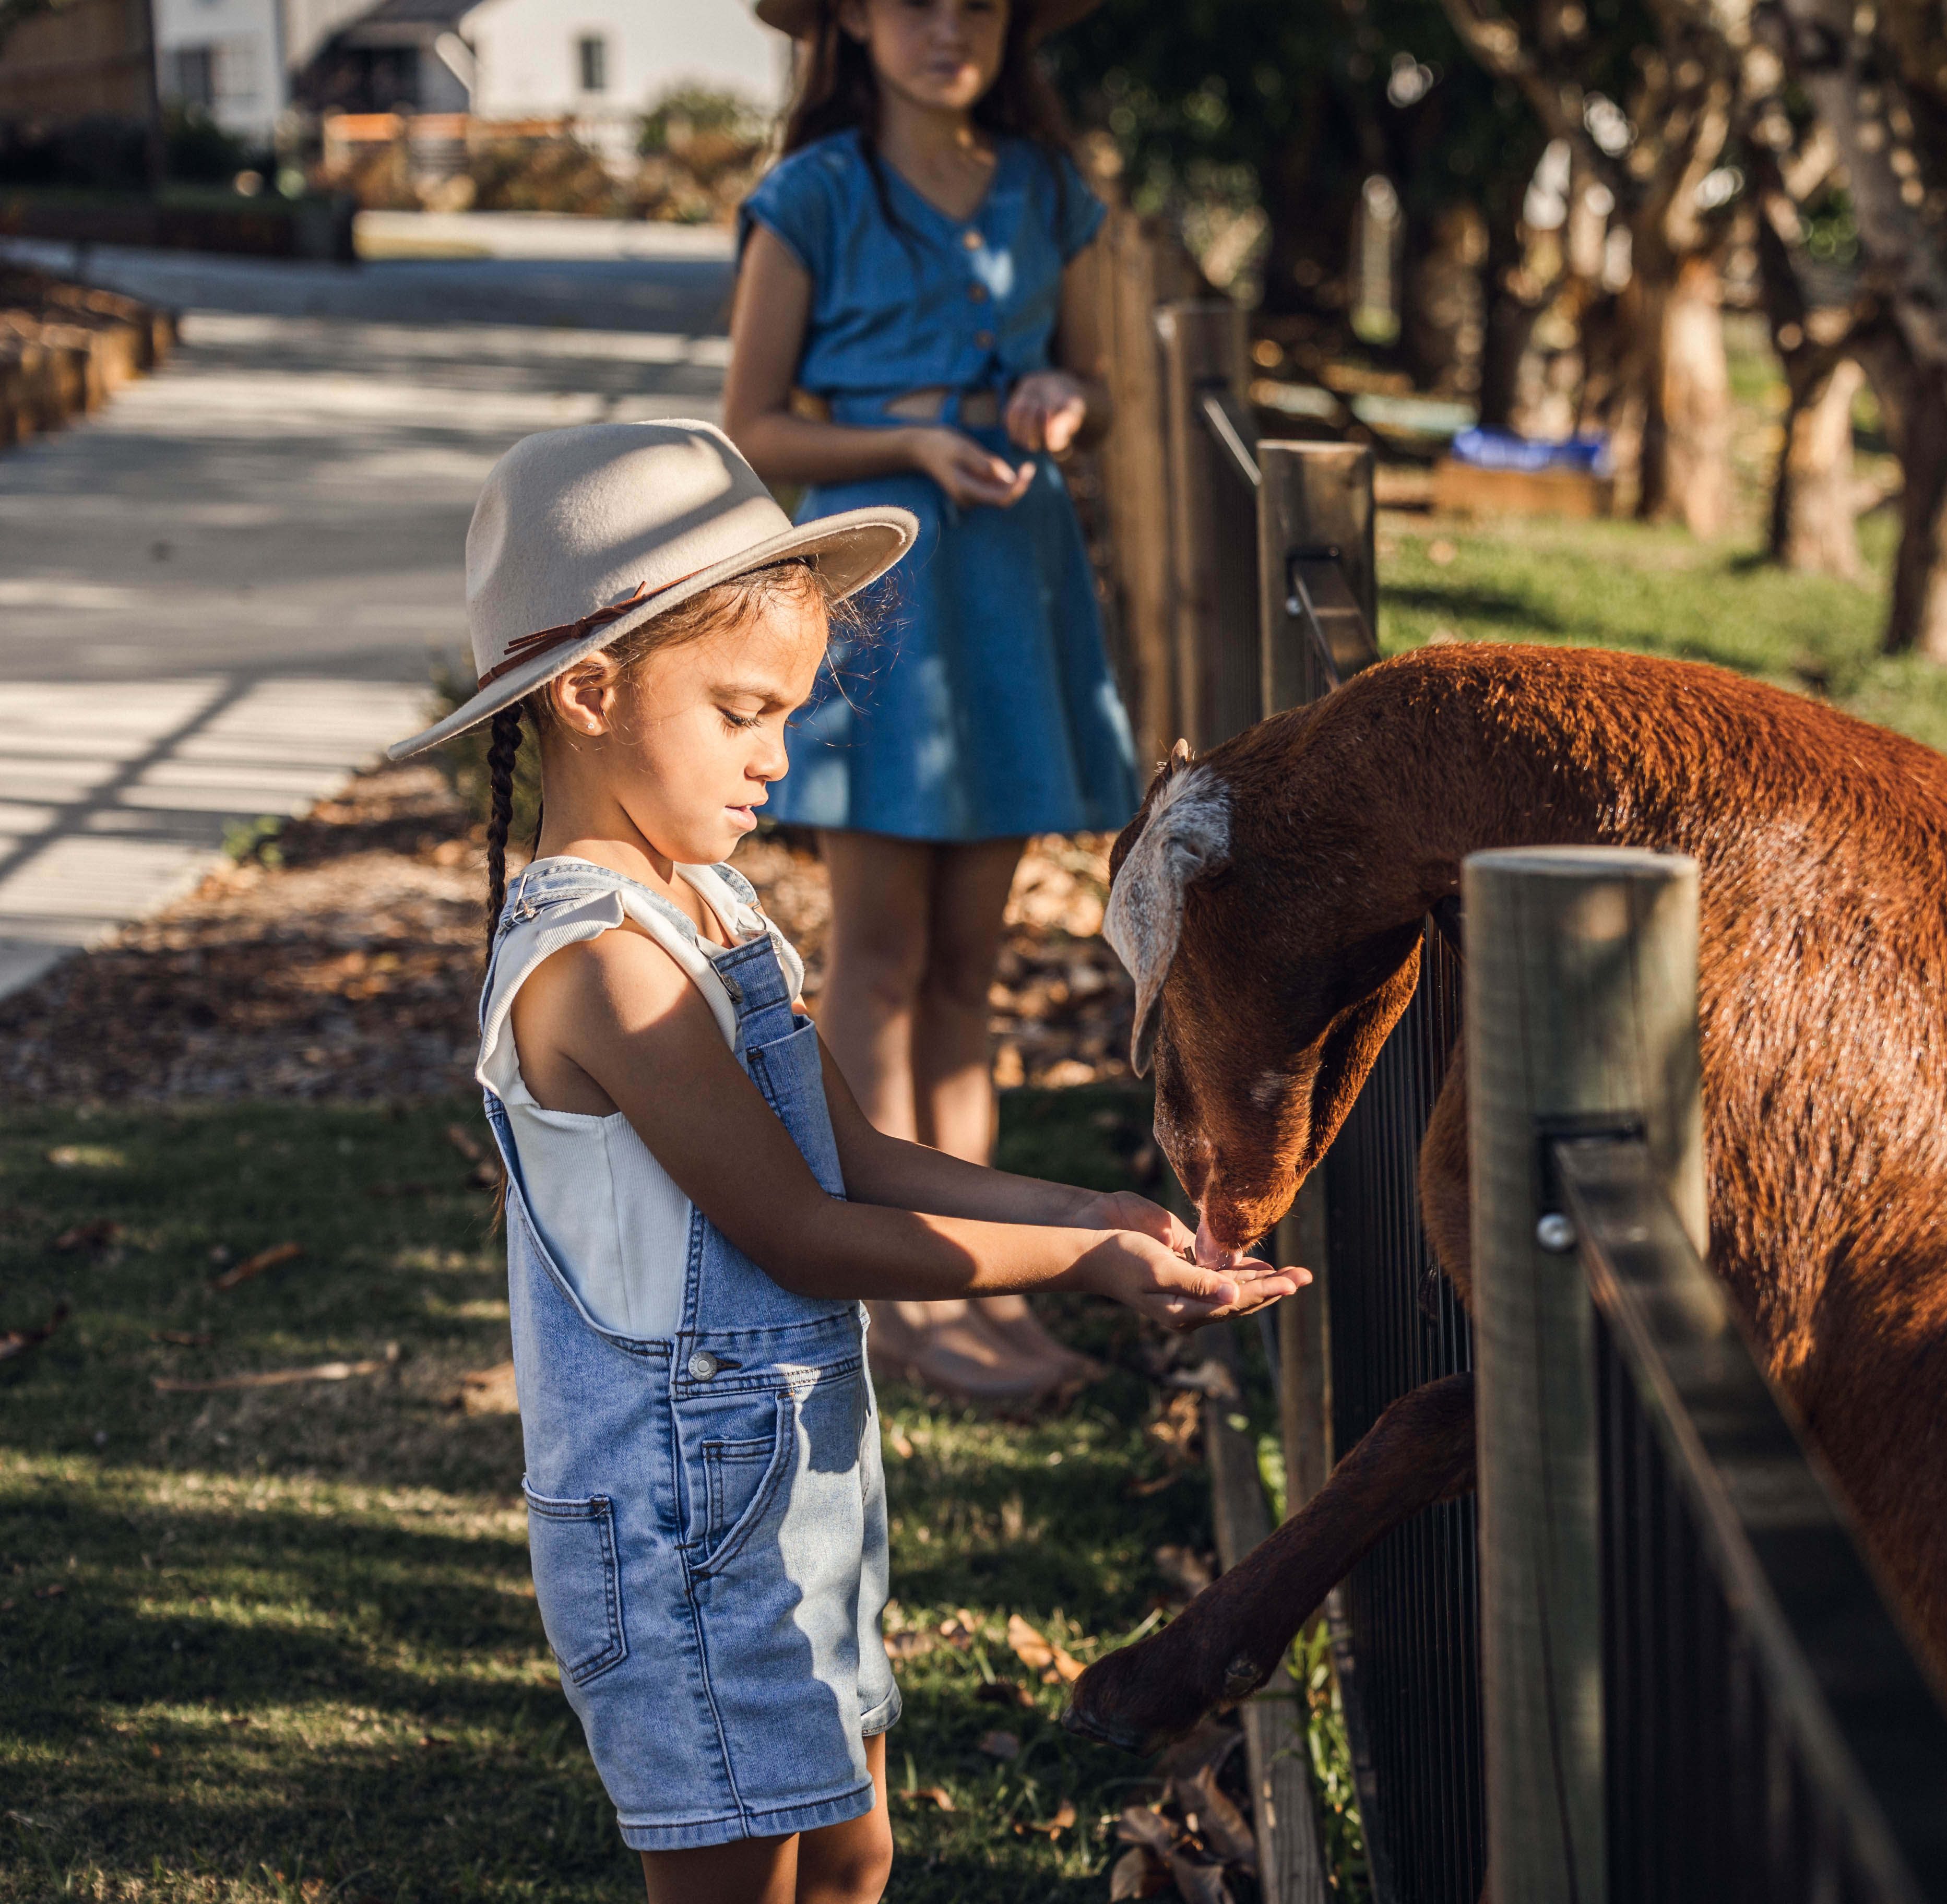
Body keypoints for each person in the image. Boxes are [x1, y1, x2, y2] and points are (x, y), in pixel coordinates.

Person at [387, 420, 1302, 1903]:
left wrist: (1095, 1205)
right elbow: (803, 1235)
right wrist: (1085, 1266)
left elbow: (859, 1152)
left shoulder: (715, 907)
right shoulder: (603, 965)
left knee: (854, 1850)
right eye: (744, 712)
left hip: (797, 1496)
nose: (780, 758)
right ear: (591, 690)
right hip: (680, 1528)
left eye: (789, 713)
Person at [725, 0, 1132, 1409]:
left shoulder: (1047, 191)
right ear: (850, 18)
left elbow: (1093, 380)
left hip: (1011, 587)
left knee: (972, 965)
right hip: (881, 585)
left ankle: (989, 1274)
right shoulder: (814, 194)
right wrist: (905, 438)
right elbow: (752, 425)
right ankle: (894, 1290)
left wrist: (1057, 403)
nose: (945, 24)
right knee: (881, 963)